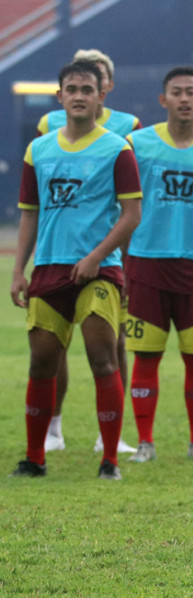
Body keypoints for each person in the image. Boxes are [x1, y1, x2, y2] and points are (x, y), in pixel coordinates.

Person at [9, 59, 142, 480]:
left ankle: (110, 461)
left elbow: (132, 214)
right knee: (41, 362)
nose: (80, 95)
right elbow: (29, 215)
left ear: (102, 96)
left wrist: (97, 256)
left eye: (88, 88)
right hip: (49, 269)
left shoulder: (117, 148)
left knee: (103, 357)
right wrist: (18, 271)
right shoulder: (40, 149)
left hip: (99, 270)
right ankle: (35, 458)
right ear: (60, 96)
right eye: (72, 88)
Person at [122, 66, 193, 464]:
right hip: (146, 265)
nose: (185, 99)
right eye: (177, 92)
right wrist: (121, 266)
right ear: (163, 100)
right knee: (146, 356)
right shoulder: (136, 144)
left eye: (191, 92)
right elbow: (121, 207)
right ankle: (145, 444)